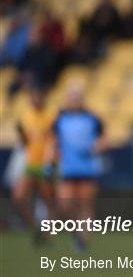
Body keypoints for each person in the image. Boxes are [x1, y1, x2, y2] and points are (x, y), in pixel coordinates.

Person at [50, 83, 107, 251]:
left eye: (78, 96)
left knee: (85, 205)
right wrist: (51, 160)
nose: (75, 99)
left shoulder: (92, 117)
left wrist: (97, 146)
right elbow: (53, 141)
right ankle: (76, 231)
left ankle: (84, 239)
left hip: (87, 168)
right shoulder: (60, 118)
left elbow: (104, 137)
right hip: (67, 167)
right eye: (72, 96)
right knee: (65, 204)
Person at [12, 87, 56, 244]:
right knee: (19, 196)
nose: (35, 98)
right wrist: (22, 136)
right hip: (31, 163)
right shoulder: (26, 115)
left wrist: (49, 160)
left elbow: (53, 140)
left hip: (46, 164)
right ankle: (36, 227)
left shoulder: (51, 115)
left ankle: (48, 234)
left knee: (48, 200)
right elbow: (25, 142)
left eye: (38, 94)